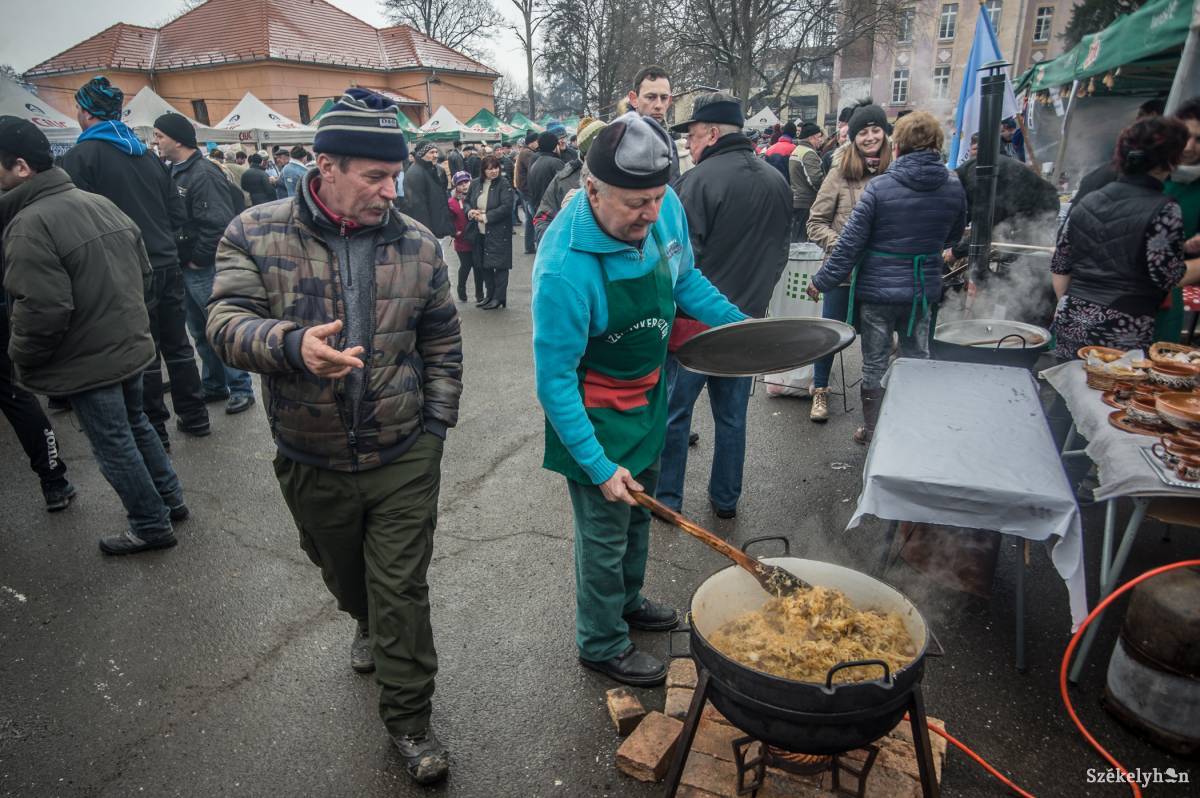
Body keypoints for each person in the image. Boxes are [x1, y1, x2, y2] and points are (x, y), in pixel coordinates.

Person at [206, 89, 462, 785]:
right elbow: (224, 321)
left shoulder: (416, 244)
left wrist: (436, 427)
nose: (391, 190)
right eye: (375, 177)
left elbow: (441, 341)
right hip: (310, 454)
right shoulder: (255, 232)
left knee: (401, 590)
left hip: (403, 453)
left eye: (396, 176)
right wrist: (291, 346)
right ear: (325, 166)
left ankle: (410, 723)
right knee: (348, 578)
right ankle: (363, 619)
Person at [532, 112, 747, 686]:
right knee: (603, 537)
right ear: (592, 189)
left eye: (657, 198)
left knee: (638, 521)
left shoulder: (662, 208)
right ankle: (600, 642)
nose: (651, 215)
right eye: (636, 204)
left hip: (648, 397)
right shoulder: (564, 268)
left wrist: (743, 329)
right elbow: (553, 380)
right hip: (594, 415)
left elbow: (685, 280)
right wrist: (598, 466)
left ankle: (627, 603)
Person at [0, 116, 185, 554]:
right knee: (135, 426)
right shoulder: (96, 203)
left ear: (21, 167)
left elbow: (42, 308)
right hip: (124, 343)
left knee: (115, 441)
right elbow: (144, 275)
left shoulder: (30, 223)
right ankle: (170, 501)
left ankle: (150, 523)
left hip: (90, 356)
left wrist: (21, 357)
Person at [656, 93, 790, 518]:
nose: (690, 147)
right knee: (732, 419)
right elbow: (780, 254)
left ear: (712, 134)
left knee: (675, 417)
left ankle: (668, 500)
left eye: (692, 137)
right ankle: (726, 500)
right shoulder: (776, 181)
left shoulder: (695, 183)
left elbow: (677, 265)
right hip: (748, 323)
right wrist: (753, 306)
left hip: (695, 328)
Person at [64, 76, 211, 447]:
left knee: (142, 352)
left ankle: (156, 430)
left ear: (85, 112)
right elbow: (176, 213)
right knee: (177, 346)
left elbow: (78, 225)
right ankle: (195, 417)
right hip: (164, 261)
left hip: (126, 268)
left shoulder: (80, 158)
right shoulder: (144, 153)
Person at [808, 111, 967, 444]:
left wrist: (820, 281)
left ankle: (873, 431)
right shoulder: (953, 184)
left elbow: (852, 243)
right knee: (916, 359)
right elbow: (953, 236)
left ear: (897, 145)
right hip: (923, 291)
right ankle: (909, 428)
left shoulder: (881, 186)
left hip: (879, 293)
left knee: (875, 365)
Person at [1050, 116, 1191, 358]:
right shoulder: (1165, 209)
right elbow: (1166, 276)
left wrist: (1075, 307)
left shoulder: (1089, 201)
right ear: (1169, 161)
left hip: (1071, 316)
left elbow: (1060, 265)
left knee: (1069, 389)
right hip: (1123, 326)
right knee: (1114, 393)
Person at [154, 112, 256, 423]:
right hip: (187, 264)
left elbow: (218, 224)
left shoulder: (203, 173)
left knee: (219, 326)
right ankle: (214, 383)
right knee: (200, 331)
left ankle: (241, 387)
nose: (156, 142)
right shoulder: (175, 171)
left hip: (204, 265)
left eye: (160, 136)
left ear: (178, 139)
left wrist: (199, 257)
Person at [805, 104, 892, 423]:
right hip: (842, 273)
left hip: (880, 275)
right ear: (853, 138)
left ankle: (872, 411)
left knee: (876, 344)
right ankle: (821, 391)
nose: (870, 137)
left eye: (875, 130)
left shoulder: (894, 172)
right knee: (829, 336)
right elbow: (814, 222)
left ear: (885, 133)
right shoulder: (839, 173)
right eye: (863, 132)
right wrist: (844, 245)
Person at [534, 119, 606, 243]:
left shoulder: (627, 172)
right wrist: (560, 245)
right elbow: (543, 219)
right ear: (586, 153)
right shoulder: (564, 178)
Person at [466, 155, 515, 309]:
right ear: (483, 170)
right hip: (479, 231)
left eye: (495, 168)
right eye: (489, 169)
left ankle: (499, 298)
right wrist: (470, 211)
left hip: (498, 231)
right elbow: (467, 201)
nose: (493, 171)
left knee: (500, 265)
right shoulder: (475, 183)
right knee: (484, 264)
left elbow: (506, 207)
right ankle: (489, 295)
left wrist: (486, 217)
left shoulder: (504, 183)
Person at [627, 65, 680, 180]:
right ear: (634, 99)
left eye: (664, 98)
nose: (659, 105)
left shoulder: (669, 143)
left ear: (670, 100)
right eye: (651, 97)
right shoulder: (617, 140)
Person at [401, 141, 453, 237]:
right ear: (422, 154)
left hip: (437, 226)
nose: (436, 155)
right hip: (427, 230)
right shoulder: (415, 173)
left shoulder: (434, 169)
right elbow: (418, 208)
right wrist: (426, 233)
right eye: (431, 152)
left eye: (436, 152)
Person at [788, 121, 827, 242]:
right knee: (802, 241)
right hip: (806, 202)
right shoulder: (809, 153)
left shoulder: (797, 150)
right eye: (819, 137)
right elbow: (815, 180)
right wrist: (825, 192)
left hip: (797, 199)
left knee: (796, 238)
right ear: (812, 137)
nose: (820, 140)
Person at [447, 170, 480, 302]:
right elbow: (448, 221)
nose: (464, 185)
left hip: (477, 237)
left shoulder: (475, 196)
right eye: (460, 183)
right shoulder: (451, 202)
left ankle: (480, 294)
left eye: (466, 182)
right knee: (466, 265)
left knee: (478, 266)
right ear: (455, 186)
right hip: (462, 240)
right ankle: (461, 289)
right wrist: (455, 233)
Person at [525, 130, 564, 221]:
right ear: (555, 145)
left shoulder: (536, 159)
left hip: (537, 207)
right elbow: (564, 188)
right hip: (550, 212)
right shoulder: (555, 163)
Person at [515, 130, 539, 253]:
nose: (538, 143)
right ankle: (537, 245)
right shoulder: (528, 153)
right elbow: (535, 170)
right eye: (536, 141)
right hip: (527, 191)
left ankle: (529, 247)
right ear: (532, 142)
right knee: (536, 218)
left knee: (530, 219)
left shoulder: (525, 152)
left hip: (524, 190)